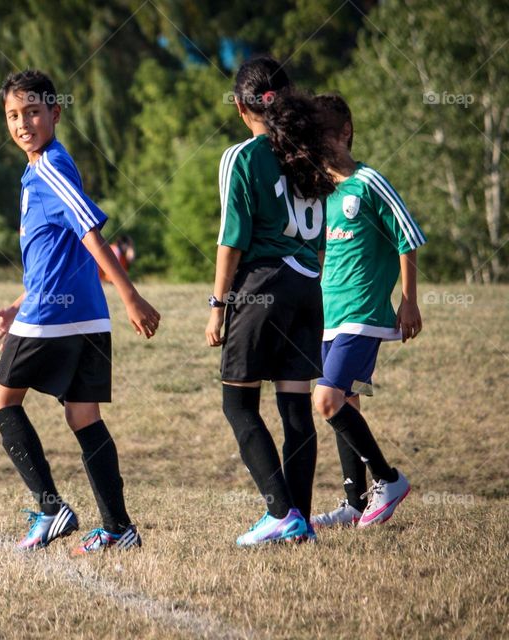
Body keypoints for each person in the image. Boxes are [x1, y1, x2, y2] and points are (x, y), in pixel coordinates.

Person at [0, 69, 160, 554]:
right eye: (13, 116)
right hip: (85, 315)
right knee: (84, 416)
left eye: (34, 112)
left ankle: (49, 508)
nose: (24, 124)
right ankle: (118, 528)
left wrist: (130, 295)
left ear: (55, 113)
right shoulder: (54, 164)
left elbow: (89, 234)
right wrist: (17, 303)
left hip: (54, 316)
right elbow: (58, 251)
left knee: (0, 402)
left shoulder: (46, 168)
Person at [205, 56, 335, 546]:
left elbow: (230, 241)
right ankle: (298, 519)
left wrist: (218, 304)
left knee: (237, 403)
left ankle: (280, 513)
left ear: (242, 107)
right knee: (295, 410)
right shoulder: (308, 152)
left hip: (262, 287)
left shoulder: (241, 156)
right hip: (309, 284)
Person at [310, 94, 424, 529]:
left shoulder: (370, 181)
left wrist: (409, 300)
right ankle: (354, 504)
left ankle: (388, 479)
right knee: (348, 401)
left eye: (325, 137)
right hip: (330, 315)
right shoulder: (322, 191)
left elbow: (407, 236)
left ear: (345, 132)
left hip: (363, 313)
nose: (319, 147)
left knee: (326, 399)